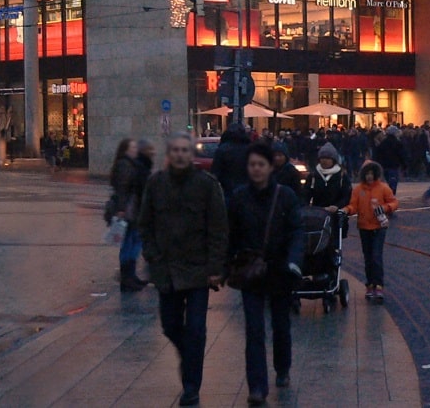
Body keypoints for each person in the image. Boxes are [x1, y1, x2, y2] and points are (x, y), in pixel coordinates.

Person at [139, 132, 228, 408]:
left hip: (198, 269)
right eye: (175, 150)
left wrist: (215, 267)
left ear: (191, 155)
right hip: (166, 269)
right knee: (170, 325)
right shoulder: (156, 184)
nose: (179, 155)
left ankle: (191, 387)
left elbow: (218, 228)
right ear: (169, 154)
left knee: (197, 330)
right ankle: (189, 357)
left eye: (184, 150)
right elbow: (145, 224)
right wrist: (152, 256)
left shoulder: (206, 185)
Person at [226, 143, 305, 405]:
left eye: (261, 164)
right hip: (250, 271)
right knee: (254, 330)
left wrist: (293, 261)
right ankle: (257, 386)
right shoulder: (239, 197)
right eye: (252, 165)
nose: (256, 169)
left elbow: (296, 231)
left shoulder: (285, 196)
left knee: (281, 325)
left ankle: (282, 367)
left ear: (271, 167)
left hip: (280, 271)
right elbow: (230, 234)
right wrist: (225, 265)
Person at [343, 160, 398, 302]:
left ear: (376, 174)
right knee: (368, 257)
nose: (369, 176)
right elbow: (354, 206)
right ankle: (370, 284)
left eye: (371, 173)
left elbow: (394, 202)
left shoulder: (383, 188)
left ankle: (378, 285)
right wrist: (347, 210)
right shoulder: (358, 190)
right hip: (364, 227)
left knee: (376, 256)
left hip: (379, 227)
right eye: (367, 174)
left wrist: (385, 208)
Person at [110, 138, 146, 292]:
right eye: (133, 147)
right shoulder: (124, 165)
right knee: (128, 243)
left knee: (133, 241)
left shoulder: (130, 163)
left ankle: (130, 276)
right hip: (128, 210)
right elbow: (122, 188)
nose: (135, 150)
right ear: (126, 150)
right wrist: (121, 208)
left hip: (132, 208)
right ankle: (127, 278)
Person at [305, 142, 351, 211]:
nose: (324, 160)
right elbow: (305, 195)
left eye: (328, 158)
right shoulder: (313, 175)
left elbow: (347, 196)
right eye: (322, 158)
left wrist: (337, 206)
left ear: (334, 160)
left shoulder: (342, 176)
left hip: (336, 213)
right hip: (317, 213)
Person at [212, 123, 252, 198]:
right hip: (247, 188)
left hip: (227, 188)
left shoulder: (222, 149)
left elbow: (216, 171)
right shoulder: (250, 148)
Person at [373, 125, 406, 196]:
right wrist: (404, 166)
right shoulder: (397, 143)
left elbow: (378, 154)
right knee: (393, 183)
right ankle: (390, 196)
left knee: (388, 181)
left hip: (384, 166)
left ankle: (388, 195)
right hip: (394, 165)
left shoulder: (383, 143)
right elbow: (401, 155)